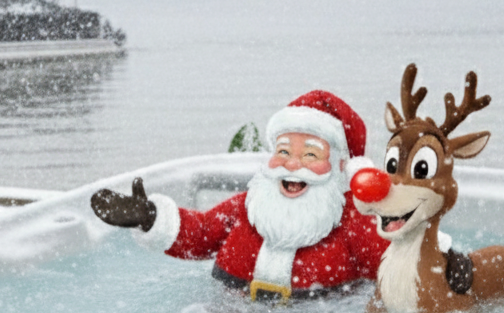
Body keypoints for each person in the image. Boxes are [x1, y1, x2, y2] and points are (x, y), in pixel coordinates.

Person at [89, 91, 387, 301]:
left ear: (341, 167)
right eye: (283, 151)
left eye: (310, 154)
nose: (292, 164)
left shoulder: (354, 224)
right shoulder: (250, 207)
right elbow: (201, 233)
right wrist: (150, 217)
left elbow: (397, 267)